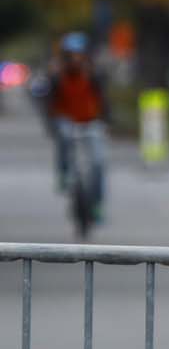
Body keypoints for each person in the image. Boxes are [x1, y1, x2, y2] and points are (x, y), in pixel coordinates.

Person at [48, 32, 109, 219]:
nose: (76, 60)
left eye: (80, 55)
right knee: (64, 136)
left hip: (90, 121)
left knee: (98, 163)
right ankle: (63, 173)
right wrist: (52, 123)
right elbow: (49, 103)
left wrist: (106, 120)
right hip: (67, 120)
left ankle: (97, 203)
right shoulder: (57, 76)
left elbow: (103, 100)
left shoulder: (94, 75)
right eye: (71, 56)